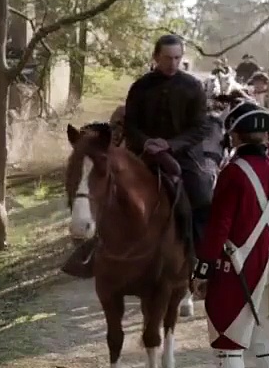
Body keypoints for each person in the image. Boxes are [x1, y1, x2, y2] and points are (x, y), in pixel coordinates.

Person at [62, 34, 214, 276]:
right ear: (156, 57)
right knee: (109, 187)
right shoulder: (140, 87)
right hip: (142, 152)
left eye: (177, 58)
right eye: (167, 58)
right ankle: (93, 252)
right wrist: (147, 142)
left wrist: (170, 144)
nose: (173, 63)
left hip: (183, 154)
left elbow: (201, 127)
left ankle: (201, 259)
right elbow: (131, 124)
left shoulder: (193, 87)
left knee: (201, 194)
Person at [189, 102, 269, 368]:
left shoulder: (233, 172)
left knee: (228, 343)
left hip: (236, 267)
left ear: (235, 135)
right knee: (267, 343)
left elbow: (219, 225)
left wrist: (203, 268)